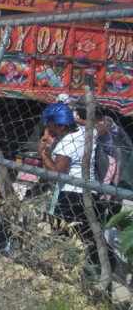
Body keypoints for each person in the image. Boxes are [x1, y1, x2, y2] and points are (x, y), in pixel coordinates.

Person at [38, 101, 108, 263]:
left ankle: (64, 267)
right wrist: (75, 120)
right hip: (90, 192)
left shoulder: (66, 144)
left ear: (61, 126)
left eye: (50, 126)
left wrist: (44, 155)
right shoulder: (86, 133)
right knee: (85, 238)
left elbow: (57, 174)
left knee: (63, 236)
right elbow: (102, 128)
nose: (48, 130)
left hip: (70, 197)